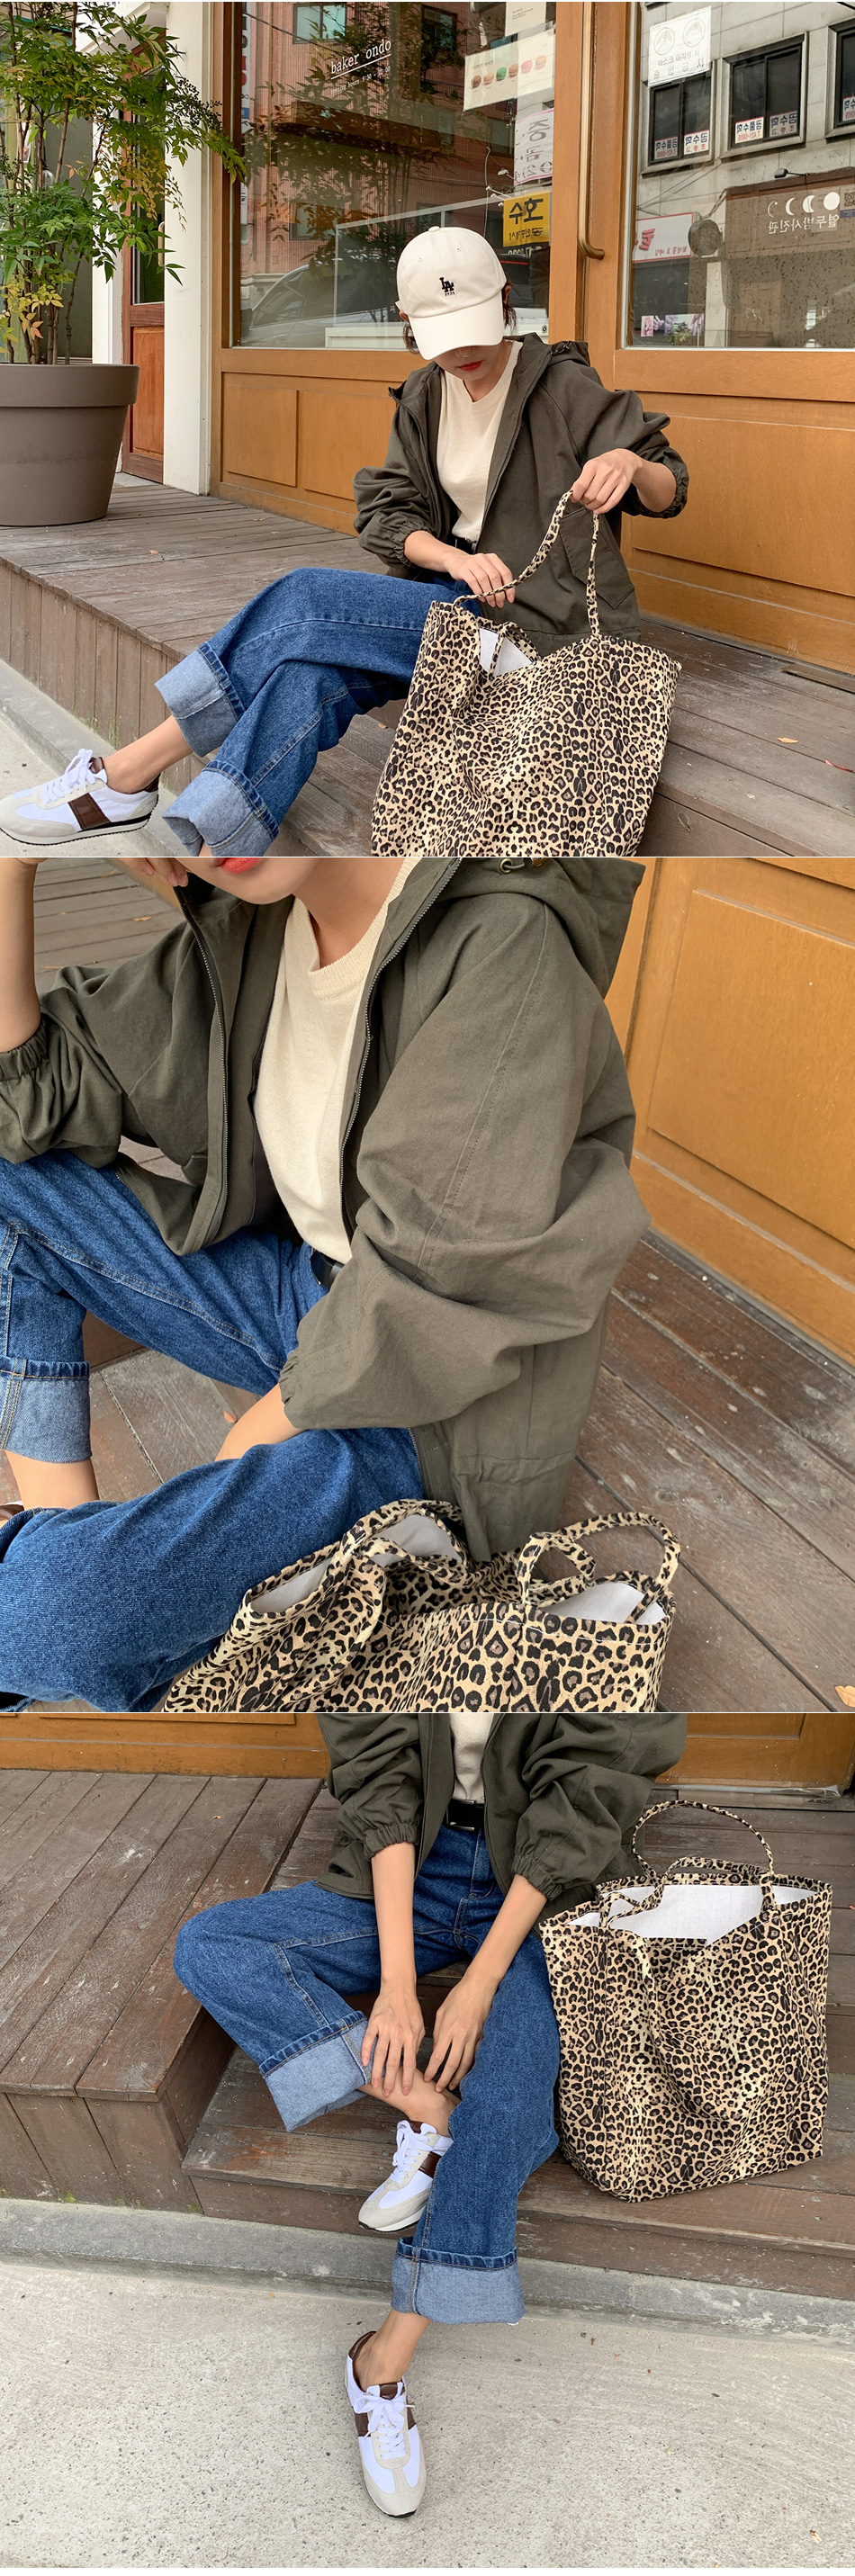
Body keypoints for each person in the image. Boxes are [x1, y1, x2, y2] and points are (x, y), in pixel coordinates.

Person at [0, 804, 649, 1710]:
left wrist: (261, 1428)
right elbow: (29, 1098)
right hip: (305, 1301)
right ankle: (61, 1528)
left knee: (53, 1617)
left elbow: (442, 1273)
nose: (224, 817)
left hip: (433, 1405)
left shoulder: (505, 940)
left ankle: (71, 1570)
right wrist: (15, 864)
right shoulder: (258, 927)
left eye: (255, 764)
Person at [0, 230, 688, 864]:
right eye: (443, 336)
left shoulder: (562, 385)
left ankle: (126, 775)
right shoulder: (425, 395)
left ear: (507, 298)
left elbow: (669, 486)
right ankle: (212, 851)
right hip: (448, 606)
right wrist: (453, 558)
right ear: (407, 321)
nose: (463, 353)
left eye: (476, 326)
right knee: (307, 676)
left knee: (306, 600)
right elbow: (389, 512)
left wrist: (629, 464)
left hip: (534, 629)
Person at [173, 1697, 685, 2516]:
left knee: (510, 2106)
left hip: (546, 1895)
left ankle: (380, 2362)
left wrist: (476, 1986)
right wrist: (399, 1986)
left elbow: (587, 1796)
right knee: (213, 1945)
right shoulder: (390, 1618)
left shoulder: (595, 1632)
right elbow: (379, 1776)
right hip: (409, 1868)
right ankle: (425, 2107)